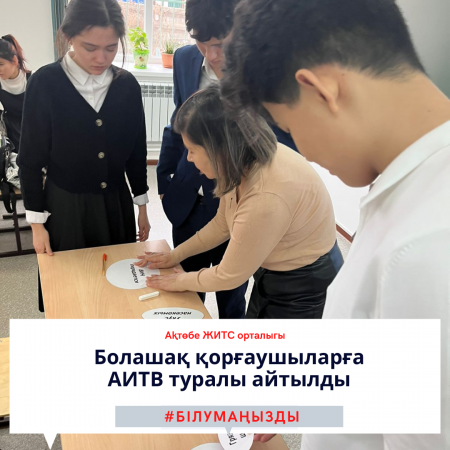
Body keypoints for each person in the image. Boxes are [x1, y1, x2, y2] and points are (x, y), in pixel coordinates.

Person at [221, 0, 450, 448]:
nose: (303, 152)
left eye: (288, 127)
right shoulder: (409, 184)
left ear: (320, 90)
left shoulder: (429, 245)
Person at [137, 85, 343, 319]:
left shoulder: (264, 197)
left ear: (219, 149)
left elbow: (228, 276)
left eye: (192, 150)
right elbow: (222, 224)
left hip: (304, 286)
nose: (189, 158)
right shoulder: (239, 160)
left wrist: (179, 281)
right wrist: (176, 256)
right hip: (276, 270)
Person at [157, 0, 299, 319]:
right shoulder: (184, 59)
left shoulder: (268, 72)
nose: (211, 55)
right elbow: (178, 120)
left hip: (239, 207)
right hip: (187, 199)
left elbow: (287, 146)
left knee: (231, 297)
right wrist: (164, 181)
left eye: (220, 44)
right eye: (201, 42)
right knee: (184, 297)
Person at [18, 0, 150, 312]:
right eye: (90, 47)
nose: (101, 58)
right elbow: (30, 160)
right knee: (71, 293)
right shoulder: (45, 83)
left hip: (115, 204)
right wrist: (37, 225)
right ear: (69, 36)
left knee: (117, 289)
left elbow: (136, 151)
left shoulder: (127, 86)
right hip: (66, 208)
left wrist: (142, 206)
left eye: (111, 48)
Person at [0, 35, 31, 152]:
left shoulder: (33, 79)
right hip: (12, 142)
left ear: (14, 60)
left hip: (34, 136)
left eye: (0, 64)